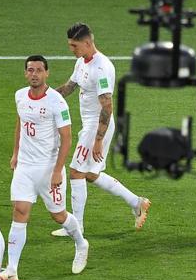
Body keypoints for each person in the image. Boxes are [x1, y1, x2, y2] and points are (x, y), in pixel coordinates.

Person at [51, 22, 150, 238]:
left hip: (97, 126)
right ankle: (137, 202)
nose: (71, 50)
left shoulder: (102, 68)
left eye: (74, 45)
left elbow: (107, 105)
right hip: (90, 126)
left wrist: (98, 139)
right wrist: (45, 96)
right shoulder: (82, 62)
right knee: (91, 173)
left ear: (87, 43)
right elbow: (69, 87)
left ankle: (76, 227)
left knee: (76, 172)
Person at [0, 55, 90, 280]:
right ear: (25, 73)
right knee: (20, 211)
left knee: (58, 216)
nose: (34, 74)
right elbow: (20, 123)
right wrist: (15, 153)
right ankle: (11, 269)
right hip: (25, 168)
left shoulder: (57, 102)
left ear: (47, 73)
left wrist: (58, 170)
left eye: (39, 70)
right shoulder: (20, 96)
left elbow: (67, 138)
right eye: (30, 70)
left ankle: (81, 243)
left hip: (48, 169)